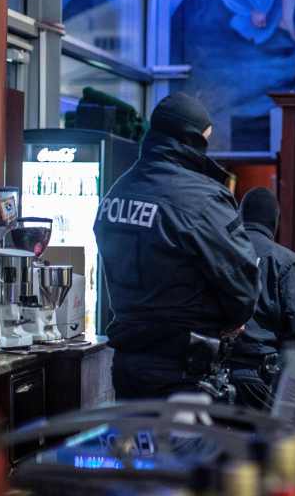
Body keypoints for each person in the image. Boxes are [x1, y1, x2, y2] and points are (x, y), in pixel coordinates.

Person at [94, 93, 261, 400]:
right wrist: (231, 321)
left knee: (138, 445)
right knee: (182, 447)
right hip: (183, 369)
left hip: (127, 364)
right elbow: (242, 284)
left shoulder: (117, 191)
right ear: (191, 140)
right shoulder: (203, 198)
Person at [229, 187, 295, 409]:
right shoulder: (284, 261)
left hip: (218, 376)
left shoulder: (220, 250)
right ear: (274, 221)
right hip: (262, 377)